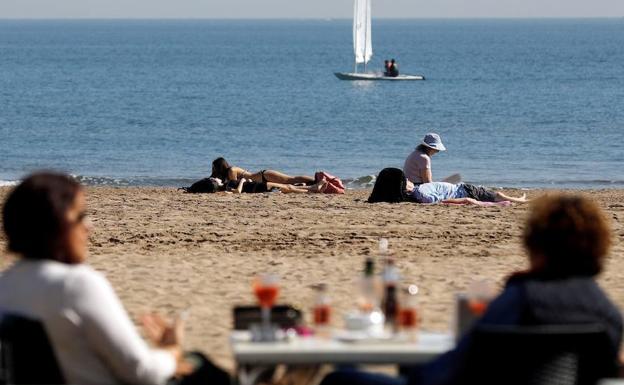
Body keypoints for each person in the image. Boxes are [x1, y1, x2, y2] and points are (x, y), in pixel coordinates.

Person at [324, 193, 622, 385]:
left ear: (534, 244)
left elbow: (452, 369)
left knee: (341, 377)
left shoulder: (521, 298)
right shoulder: (605, 311)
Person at [0, 172, 231, 385]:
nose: (89, 226)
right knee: (200, 365)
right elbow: (141, 371)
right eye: (81, 216)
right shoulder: (76, 284)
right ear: (57, 226)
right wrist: (170, 351)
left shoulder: (5, 286)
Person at [210, 157, 315, 185]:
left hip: (264, 176)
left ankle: (315, 180)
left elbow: (234, 185)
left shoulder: (231, 170)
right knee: (291, 181)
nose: (213, 170)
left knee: (290, 179)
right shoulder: (228, 172)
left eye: (214, 168)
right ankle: (313, 182)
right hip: (262, 180)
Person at [408, 180, 528, 205]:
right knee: (498, 195)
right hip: (465, 191)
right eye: (407, 181)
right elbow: (441, 201)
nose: (409, 180)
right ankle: (520, 200)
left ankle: (517, 199)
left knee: (494, 195)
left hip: (462, 189)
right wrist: (467, 200)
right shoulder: (422, 193)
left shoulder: (419, 190)